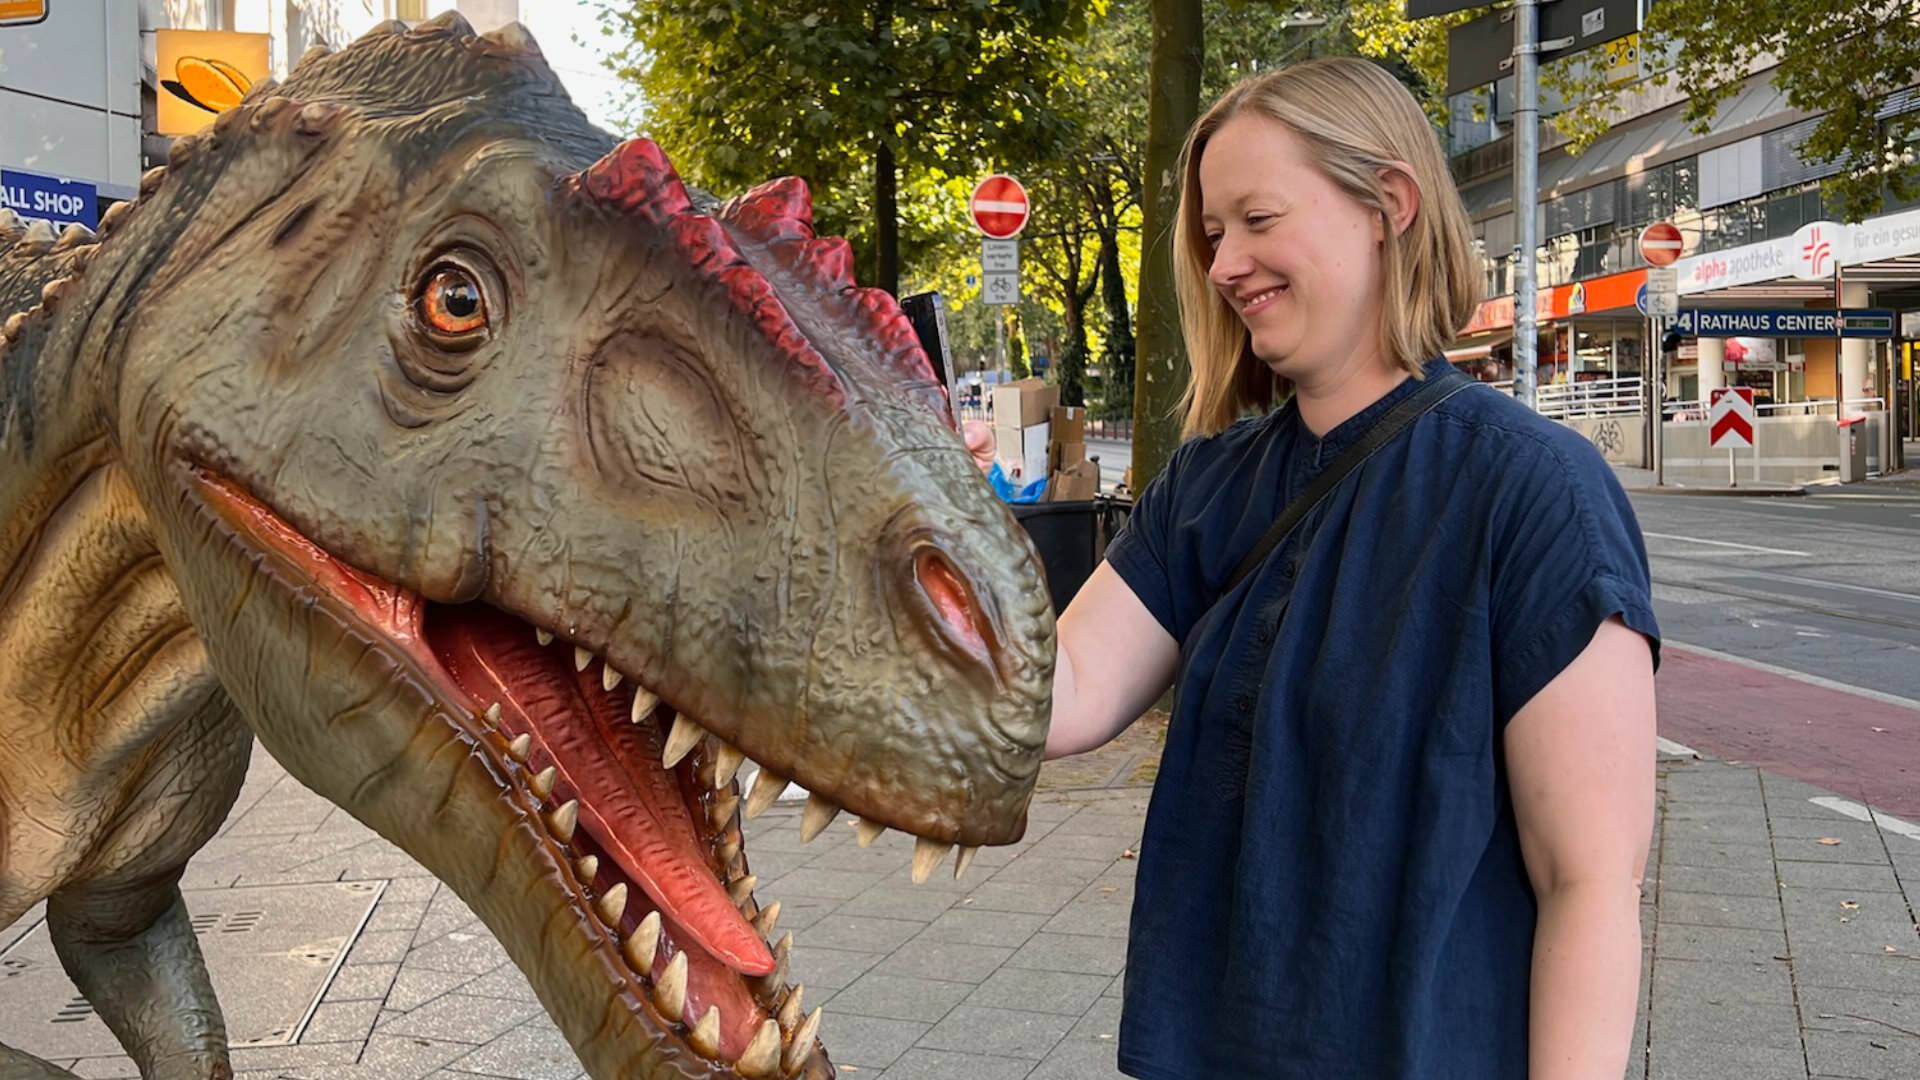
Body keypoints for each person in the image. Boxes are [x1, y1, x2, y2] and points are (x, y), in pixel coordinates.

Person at [964, 57, 1658, 1079]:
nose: (1224, 264)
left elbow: (1588, 884)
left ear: (1388, 205)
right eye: (1211, 235)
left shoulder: (1535, 492)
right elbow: (1054, 696)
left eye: (1257, 219)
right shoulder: (1206, 489)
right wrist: (951, 527)